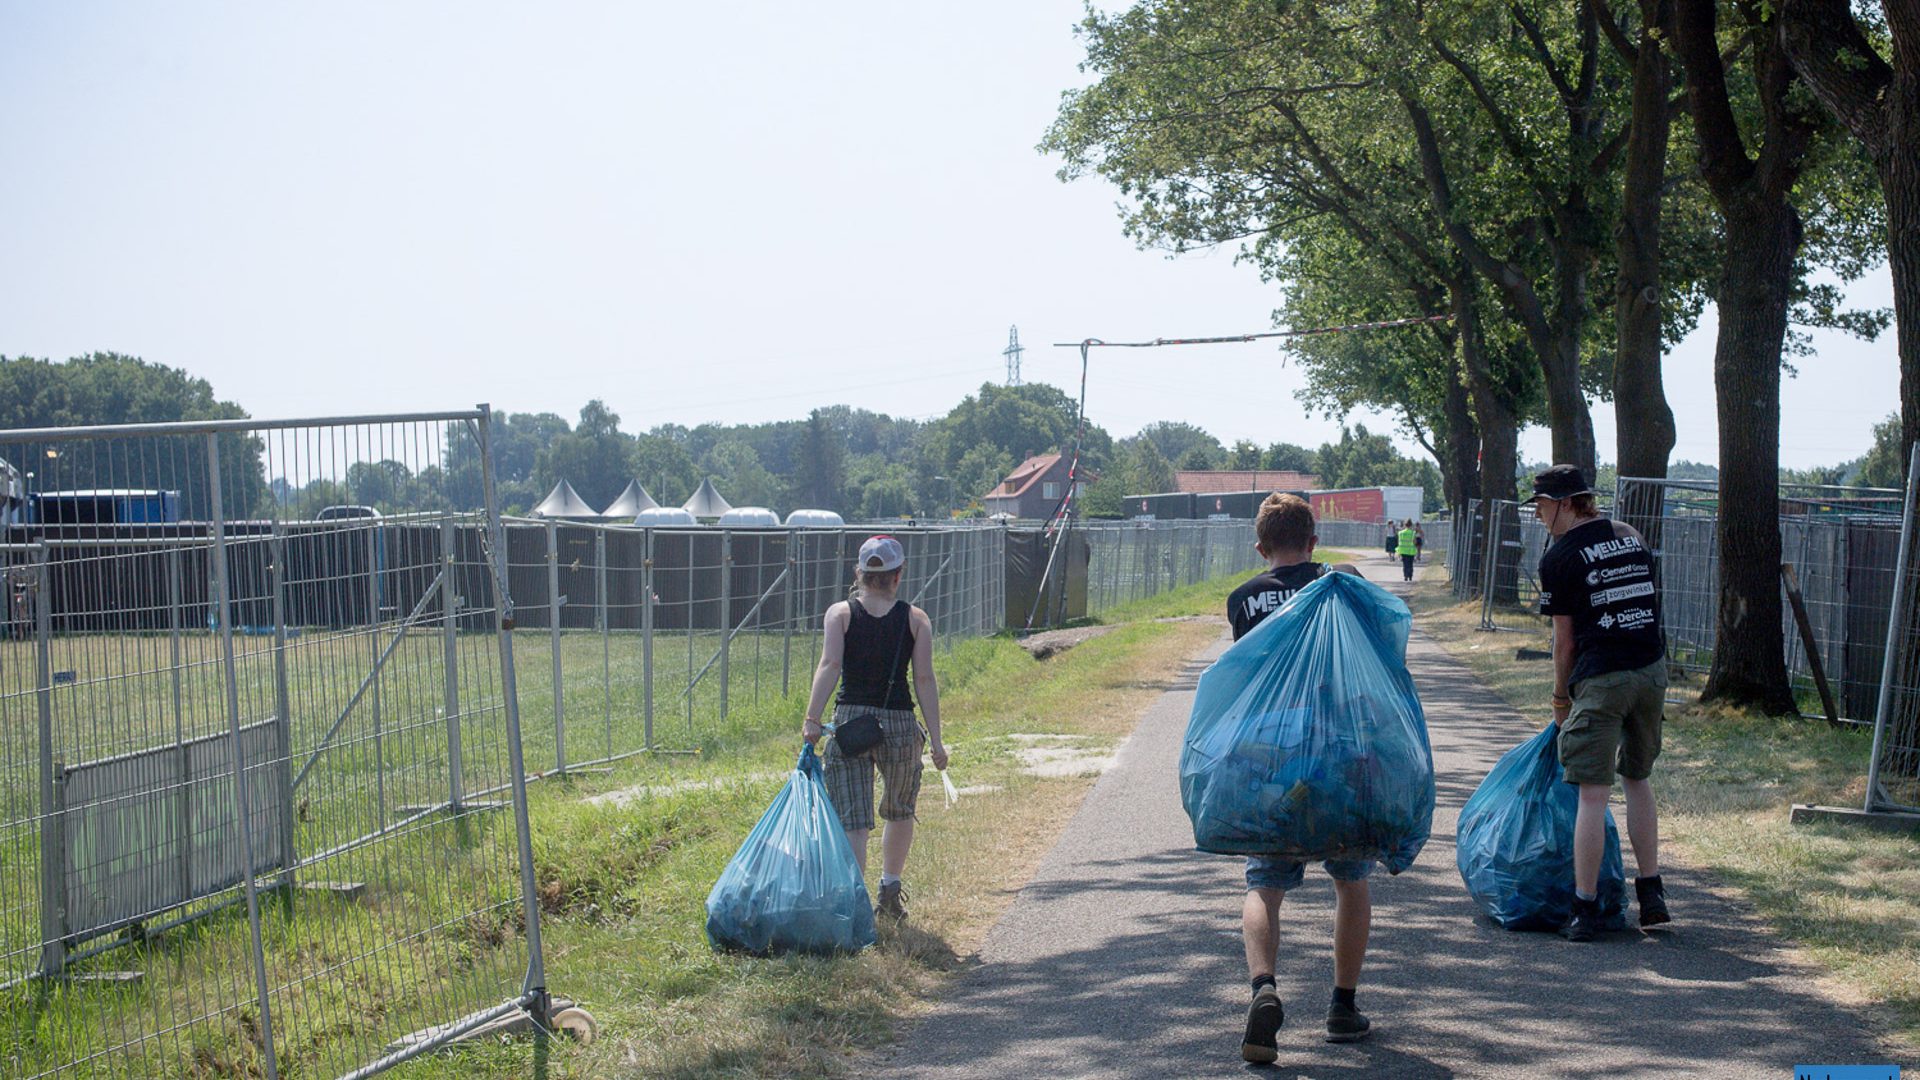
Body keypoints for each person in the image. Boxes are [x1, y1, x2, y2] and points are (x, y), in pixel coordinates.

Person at [1224, 493, 1372, 1062]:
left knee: (1265, 880)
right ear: (1314, 541)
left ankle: (1264, 989)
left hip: (1272, 757)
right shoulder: (1338, 583)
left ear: (1260, 548)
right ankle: (1342, 1006)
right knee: (1350, 877)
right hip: (1338, 753)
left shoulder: (1243, 600)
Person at [1530, 465, 1671, 941]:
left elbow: (1564, 643)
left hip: (1604, 677)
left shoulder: (1559, 557)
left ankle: (1585, 906)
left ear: (1567, 504)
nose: (1539, 515)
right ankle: (1651, 893)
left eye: (1543, 505)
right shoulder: (1630, 534)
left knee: (1592, 793)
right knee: (1638, 778)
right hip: (1651, 671)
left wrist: (1559, 697)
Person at [801, 535, 950, 921]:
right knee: (899, 811)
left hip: (851, 724)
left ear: (860, 574)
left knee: (854, 819)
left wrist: (812, 719)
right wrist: (936, 740)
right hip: (900, 724)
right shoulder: (916, 619)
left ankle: (854, 904)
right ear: (898, 576)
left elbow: (830, 665)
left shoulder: (840, 614)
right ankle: (889, 890)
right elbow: (925, 679)